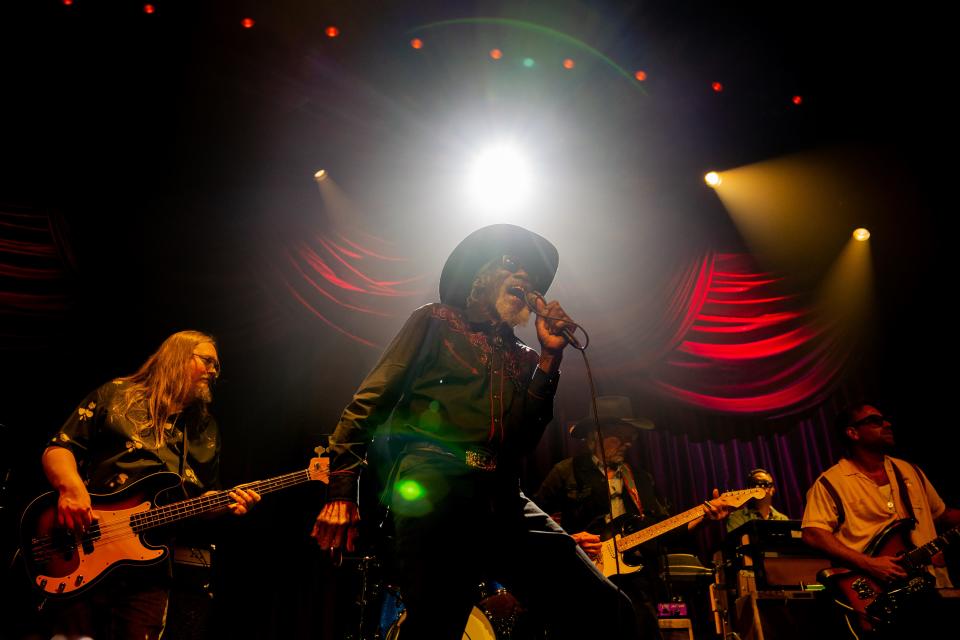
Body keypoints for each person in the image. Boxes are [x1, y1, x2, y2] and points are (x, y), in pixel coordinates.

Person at [311, 224, 638, 640]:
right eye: (512, 265)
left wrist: (550, 359)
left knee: (607, 608)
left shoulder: (524, 357)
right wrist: (341, 493)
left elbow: (523, 439)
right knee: (436, 623)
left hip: (503, 497)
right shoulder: (434, 321)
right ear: (482, 275)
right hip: (434, 488)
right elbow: (367, 403)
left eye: (533, 276)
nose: (525, 278)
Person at [39, 330, 260, 640]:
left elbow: (199, 499)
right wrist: (71, 489)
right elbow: (60, 447)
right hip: (85, 545)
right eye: (207, 361)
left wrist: (224, 503)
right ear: (178, 358)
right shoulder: (116, 394)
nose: (213, 372)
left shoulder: (206, 429)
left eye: (216, 366)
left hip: (151, 568)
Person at [534, 396, 731, 639]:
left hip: (636, 584)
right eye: (620, 434)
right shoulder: (566, 471)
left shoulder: (640, 478)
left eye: (632, 435)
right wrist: (571, 541)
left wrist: (706, 517)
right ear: (596, 436)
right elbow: (534, 526)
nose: (629, 442)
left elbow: (664, 528)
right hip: (583, 578)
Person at [801, 403, 960, 631]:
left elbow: (942, 515)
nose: (887, 424)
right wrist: (871, 564)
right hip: (880, 597)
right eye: (876, 421)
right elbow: (813, 534)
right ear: (852, 432)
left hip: (931, 587)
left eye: (885, 419)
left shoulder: (910, 471)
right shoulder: (831, 483)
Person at [725, 468, 789, 532]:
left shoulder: (783, 519)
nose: (760, 488)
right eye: (755, 484)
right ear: (749, 490)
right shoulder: (737, 518)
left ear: (773, 490)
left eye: (765, 483)